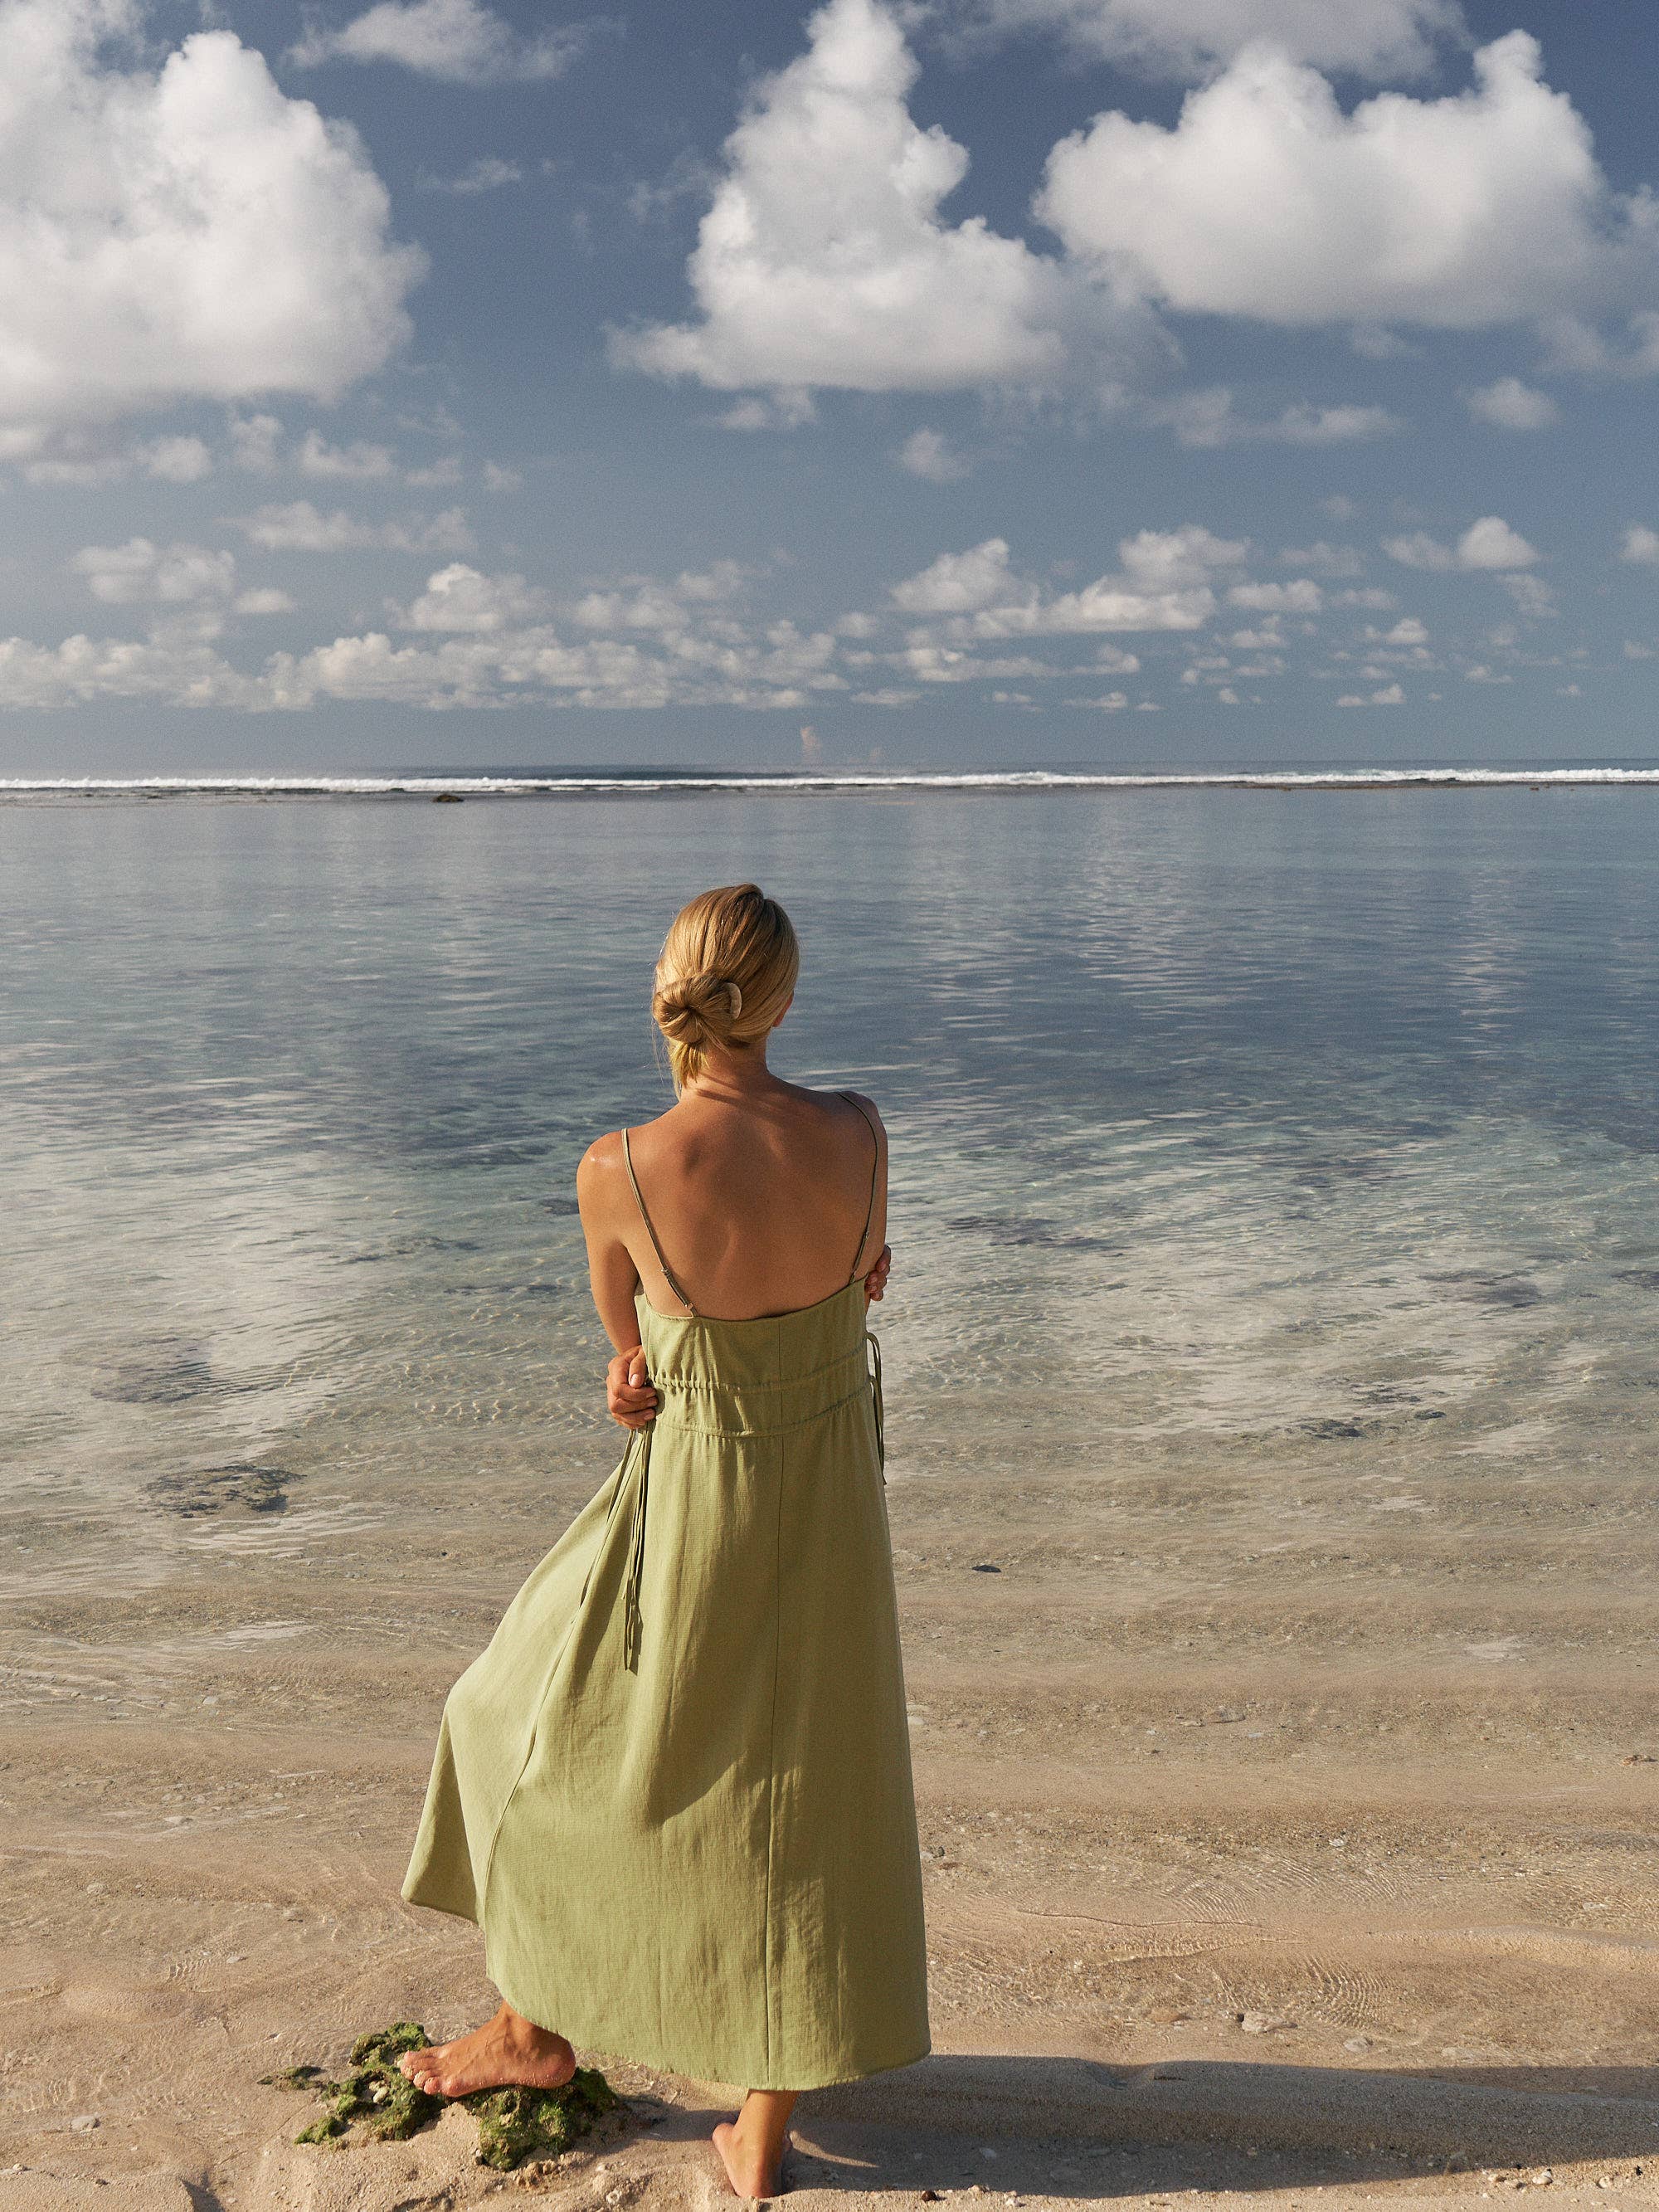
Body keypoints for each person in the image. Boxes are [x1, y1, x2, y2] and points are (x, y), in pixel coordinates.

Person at [397, 882, 930, 2199]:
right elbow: (863, 1280)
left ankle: (533, 2028)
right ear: (786, 999)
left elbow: (631, 1353)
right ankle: (759, 2127)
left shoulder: (619, 1166)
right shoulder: (862, 1133)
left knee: (511, 1711)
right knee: (800, 1778)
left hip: (695, 1500)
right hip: (829, 1502)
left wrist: (631, 1379)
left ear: (674, 996)